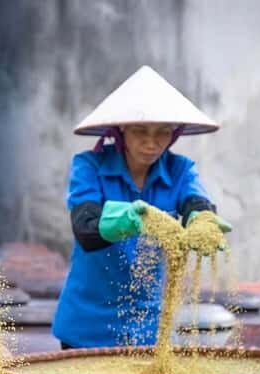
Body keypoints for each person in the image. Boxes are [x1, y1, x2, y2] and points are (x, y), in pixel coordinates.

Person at [52, 65, 232, 349]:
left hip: (148, 326)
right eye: (140, 131)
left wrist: (202, 220)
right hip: (87, 324)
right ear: (121, 130)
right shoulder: (89, 165)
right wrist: (128, 219)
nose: (151, 143)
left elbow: (195, 202)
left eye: (163, 132)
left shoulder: (180, 170)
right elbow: (85, 227)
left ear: (174, 134)